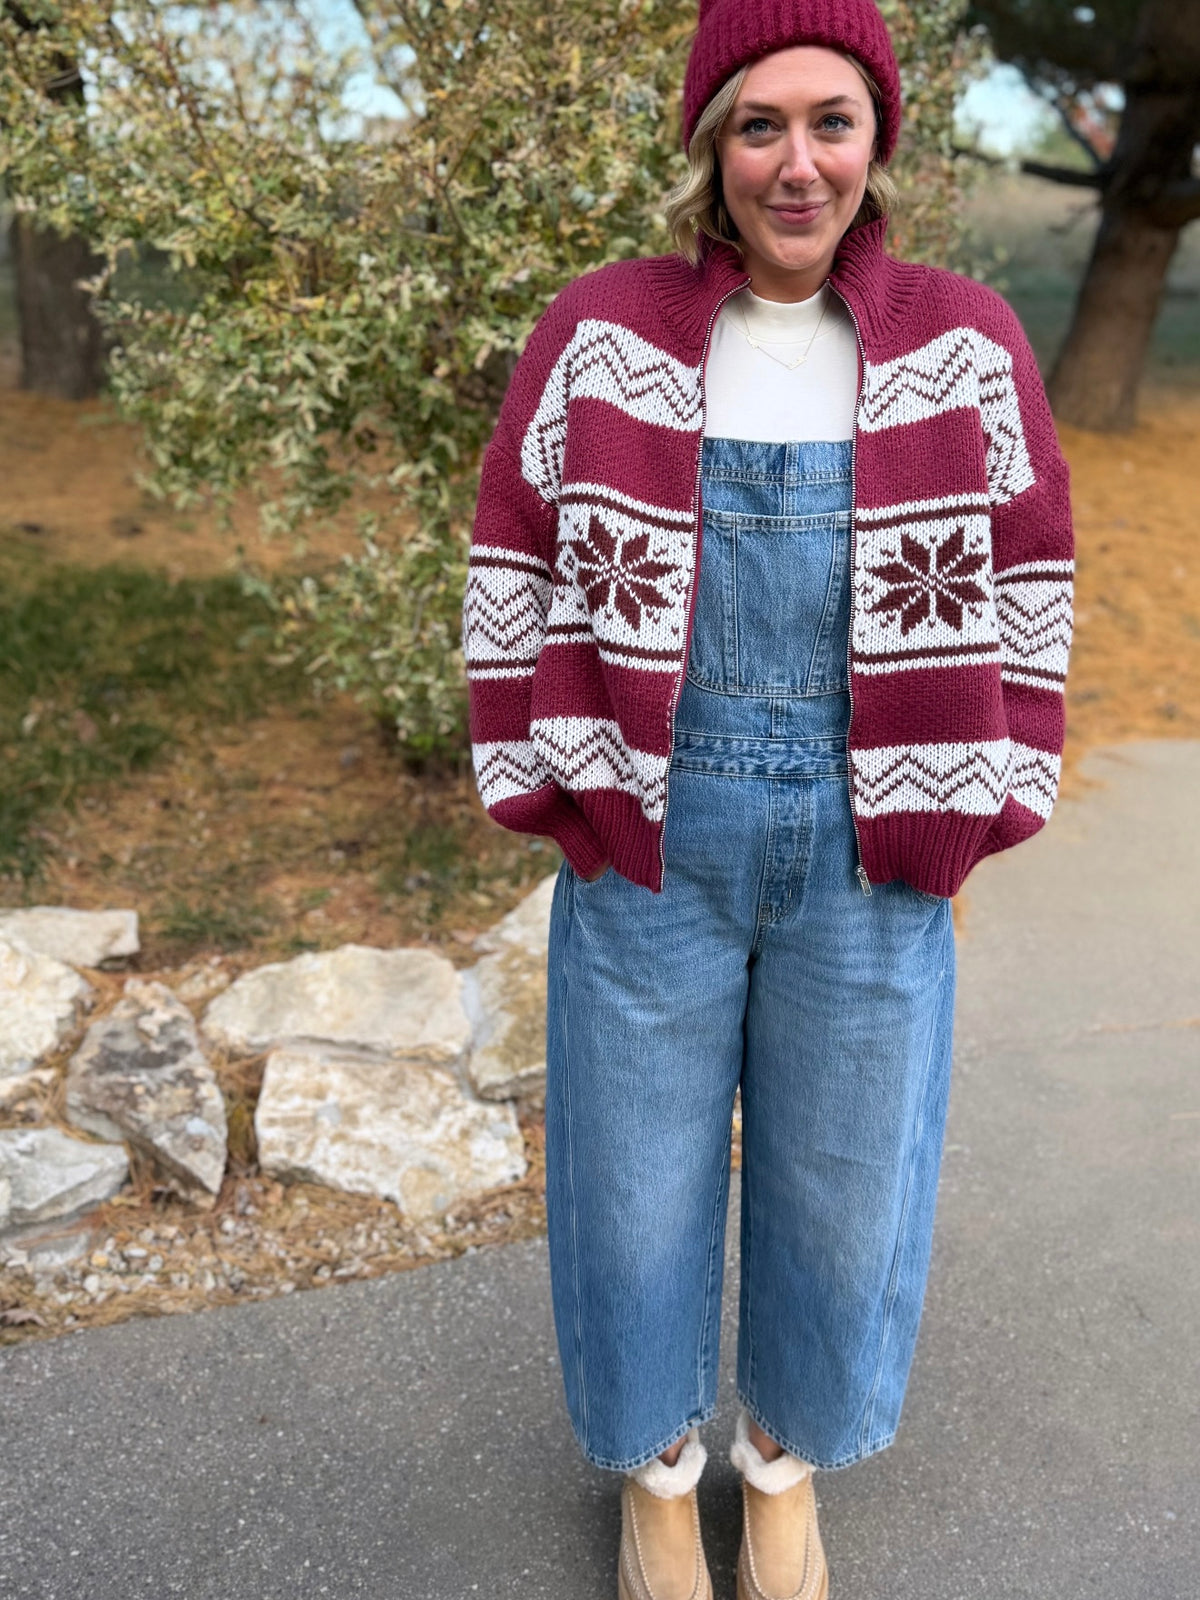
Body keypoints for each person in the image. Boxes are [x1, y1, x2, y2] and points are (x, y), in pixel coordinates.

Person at [462, 1, 1074, 1594]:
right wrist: (545, 785)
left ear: (879, 140)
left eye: (831, 121)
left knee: (847, 1176)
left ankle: (783, 1466)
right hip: (645, 841)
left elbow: (1030, 574)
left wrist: (987, 795)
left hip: (880, 845)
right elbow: (513, 558)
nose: (796, 163)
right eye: (758, 124)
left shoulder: (965, 340)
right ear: (708, 146)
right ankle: (657, 1475)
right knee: (631, 1175)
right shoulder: (599, 332)